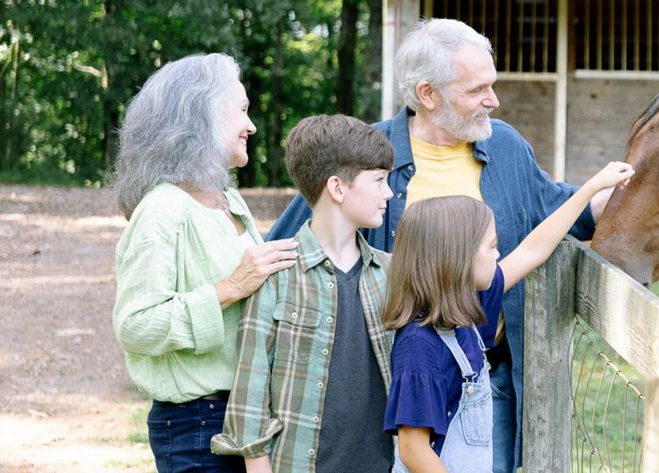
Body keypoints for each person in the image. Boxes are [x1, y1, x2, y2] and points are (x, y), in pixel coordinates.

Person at [264, 19, 610, 470]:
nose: (494, 100)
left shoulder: (504, 145)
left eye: (493, 84)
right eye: (477, 89)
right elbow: (292, 246)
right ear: (427, 94)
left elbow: (556, 211)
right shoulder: (366, 153)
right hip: (392, 379)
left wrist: (634, 191)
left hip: (481, 372)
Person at [111, 53, 300, 473]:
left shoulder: (228, 200)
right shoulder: (162, 210)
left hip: (245, 415)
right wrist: (230, 288)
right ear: (204, 117)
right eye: (243, 111)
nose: (251, 125)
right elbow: (135, 325)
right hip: (196, 426)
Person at [383, 162, 633, 473]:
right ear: (457, 260)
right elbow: (413, 449)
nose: (498, 254)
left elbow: (533, 249)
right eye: (491, 247)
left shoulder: (468, 310)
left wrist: (590, 189)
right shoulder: (419, 348)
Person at [210, 115, 397, 472]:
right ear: (338, 188)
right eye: (379, 180)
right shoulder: (276, 273)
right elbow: (250, 391)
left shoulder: (389, 273)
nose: (388, 192)